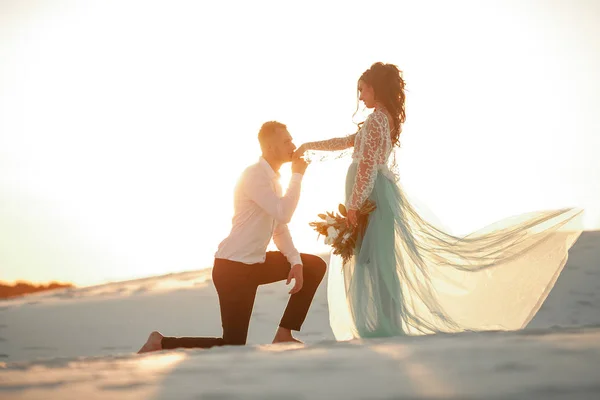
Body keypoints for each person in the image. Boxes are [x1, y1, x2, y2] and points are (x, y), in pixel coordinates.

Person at [295, 62, 583, 340]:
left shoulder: (377, 119)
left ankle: (378, 323)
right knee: (379, 259)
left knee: (374, 259)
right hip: (377, 193)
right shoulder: (383, 119)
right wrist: (309, 146)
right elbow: (349, 142)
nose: (360, 96)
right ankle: (384, 320)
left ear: (374, 88)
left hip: (371, 197)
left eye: (363, 89)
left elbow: (368, 165)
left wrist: (355, 205)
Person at [138, 121, 327, 353]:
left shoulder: (274, 180)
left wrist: (295, 262)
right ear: (270, 147)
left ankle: (284, 334)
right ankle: (161, 342)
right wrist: (297, 176)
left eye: (291, 139)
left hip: (256, 264)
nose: (293, 145)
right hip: (232, 270)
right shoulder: (254, 176)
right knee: (233, 345)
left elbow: (279, 227)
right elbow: (283, 213)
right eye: (286, 141)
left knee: (313, 265)